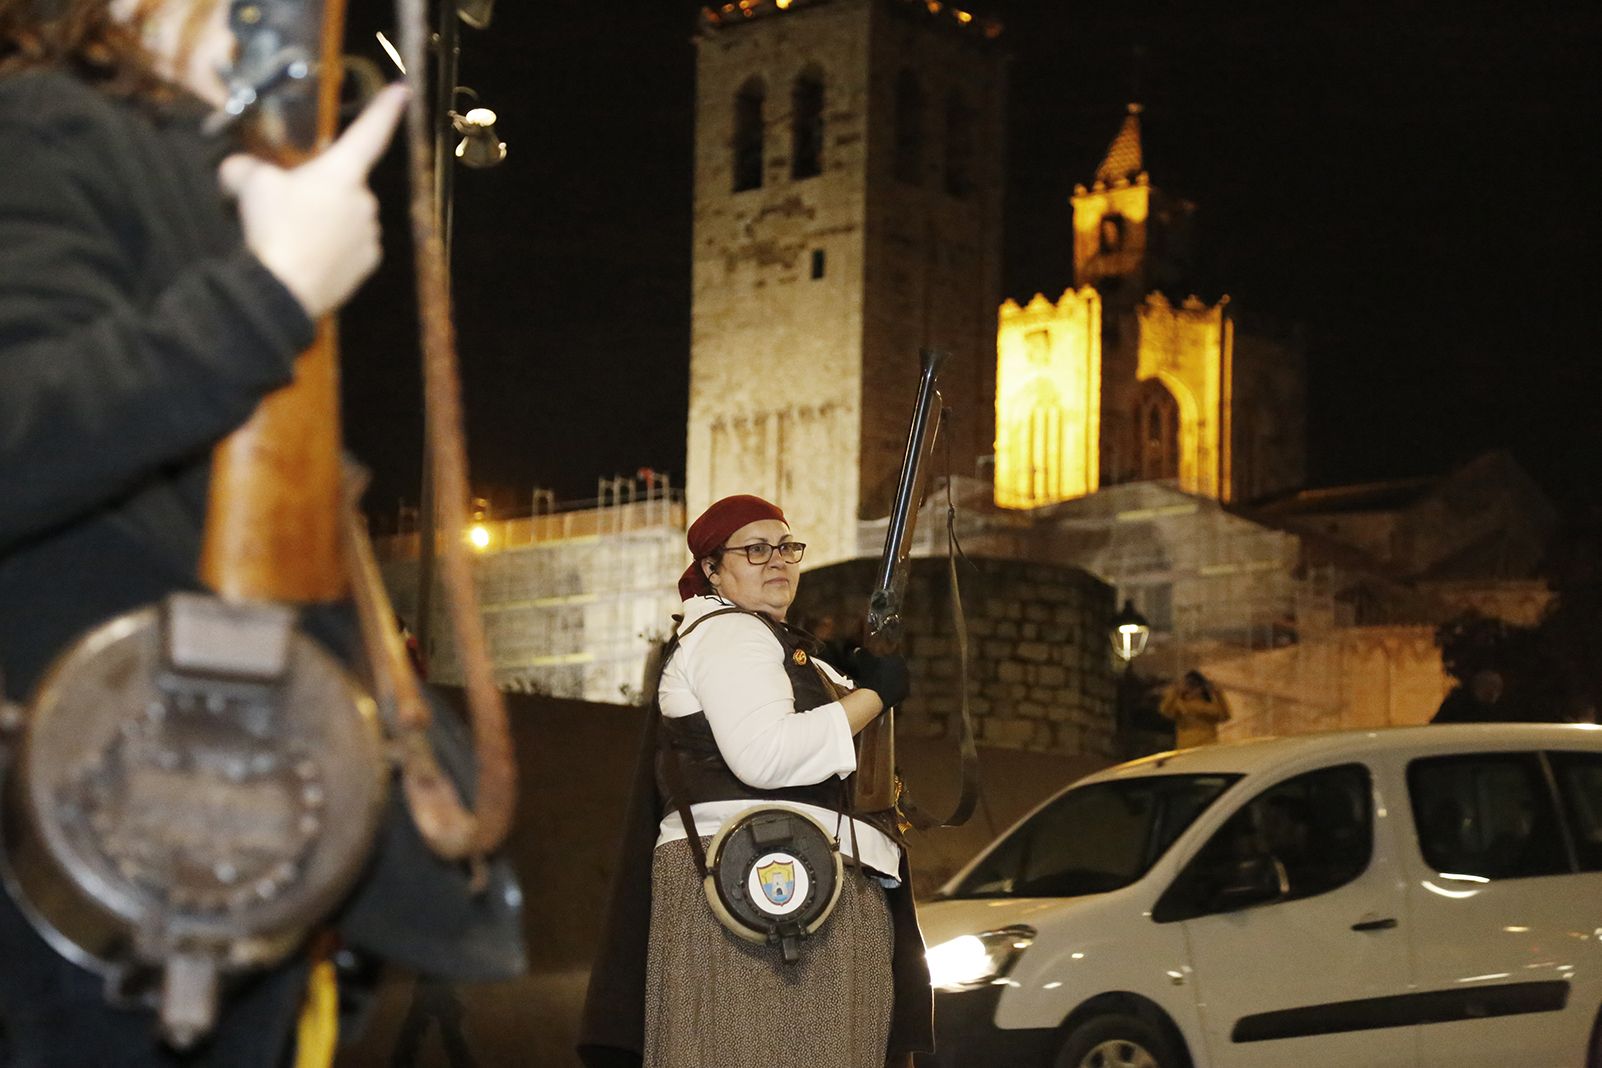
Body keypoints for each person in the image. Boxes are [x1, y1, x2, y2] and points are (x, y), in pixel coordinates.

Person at [0, 0, 522, 1063]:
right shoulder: (43, 127)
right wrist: (268, 294)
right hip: (85, 858)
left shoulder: (207, 170)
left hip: (217, 846)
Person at [579, 494, 933, 1068]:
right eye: (756, 549)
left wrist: (849, 680)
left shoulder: (769, 642)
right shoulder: (731, 633)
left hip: (800, 887)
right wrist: (875, 694)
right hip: (763, 887)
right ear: (713, 568)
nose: (778, 561)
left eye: (787, 547)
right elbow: (767, 756)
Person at [1158, 669, 1231, 747]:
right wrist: (1175, 691)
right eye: (1188, 685)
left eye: (1194, 685)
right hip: (1188, 749)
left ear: (1201, 688)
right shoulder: (1180, 704)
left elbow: (1225, 716)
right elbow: (1165, 710)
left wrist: (1218, 694)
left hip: (1208, 747)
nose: (1191, 689)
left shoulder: (1209, 706)